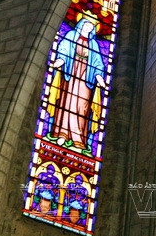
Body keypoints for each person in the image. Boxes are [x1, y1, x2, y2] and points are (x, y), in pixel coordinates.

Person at [46, 13, 109, 152]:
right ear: (81, 24)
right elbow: (63, 50)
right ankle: (61, 133)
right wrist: (59, 61)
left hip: (86, 78)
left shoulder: (93, 44)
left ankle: (78, 140)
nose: (89, 27)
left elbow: (98, 63)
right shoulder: (71, 36)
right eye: (87, 24)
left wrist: (100, 78)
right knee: (66, 103)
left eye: (91, 26)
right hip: (71, 74)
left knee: (82, 107)